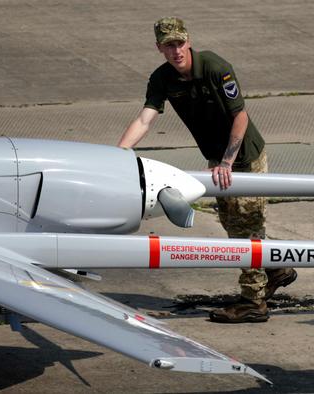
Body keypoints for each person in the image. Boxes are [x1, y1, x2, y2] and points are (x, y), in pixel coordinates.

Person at [119, 17, 296, 323]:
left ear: (188, 42)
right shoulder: (162, 79)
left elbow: (240, 115)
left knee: (245, 231)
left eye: (179, 43)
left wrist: (228, 162)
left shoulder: (215, 67)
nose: (176, 51)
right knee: (234, 224)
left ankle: (254, 301)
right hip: (218, 160)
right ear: (159, 48)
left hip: (244, 158)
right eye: (168, 45)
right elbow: (145, 119)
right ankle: (276, 269)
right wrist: (119, 154)